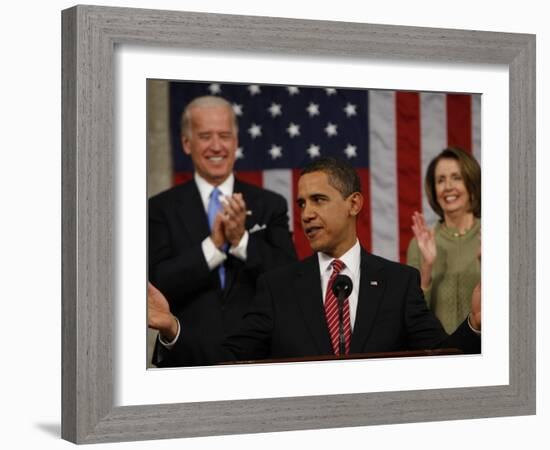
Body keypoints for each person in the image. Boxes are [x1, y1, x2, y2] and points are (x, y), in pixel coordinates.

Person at [149, 157, 481, 365]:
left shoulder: (399, 283)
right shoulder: (277, 287)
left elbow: (442, 359)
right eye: (302, 203)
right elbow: (227, 359)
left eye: (319, 200)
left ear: (354, 204)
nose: (306, 214)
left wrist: (475, 324)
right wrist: (172, 327)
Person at [149, 95, 296, 367]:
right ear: (186, 143)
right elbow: (157, 285)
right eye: (205, 136)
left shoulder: (270, 204)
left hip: (258, 361)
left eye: (225, 136)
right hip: (185, 358)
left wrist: (241, 241)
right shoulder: (159, 208)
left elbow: (289, 281)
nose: (216, 146)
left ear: (236, 142)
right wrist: (214, 246)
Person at [407, 148, 481, 334]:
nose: (448, 186)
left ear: (471, 183)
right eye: (440, 180)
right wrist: (427, 269)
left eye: (456, 177)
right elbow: (412, 315)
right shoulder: (420, 244)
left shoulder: (496, 235)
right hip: (438, 354)